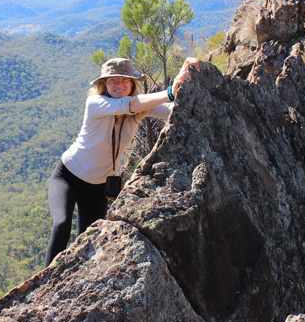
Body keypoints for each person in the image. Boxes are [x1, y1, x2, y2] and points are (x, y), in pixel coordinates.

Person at [43, 56, 200, 267]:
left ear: (132, 83)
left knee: (86, 242)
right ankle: (45, 283)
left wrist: (190, 81)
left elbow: (173, 111)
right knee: (62, 224)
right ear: (104, 85)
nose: (119, 85)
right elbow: (129, 104)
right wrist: (170, 91)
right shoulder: (96, 103)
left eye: (124, 80)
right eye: (112, 80)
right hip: (68, 177)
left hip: (98, 188)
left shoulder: (139, 107)